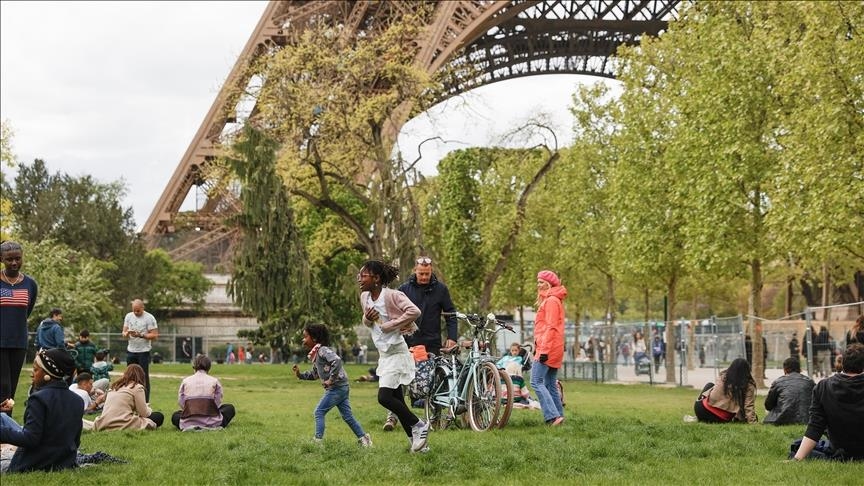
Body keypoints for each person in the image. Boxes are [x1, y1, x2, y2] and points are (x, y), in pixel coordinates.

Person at [358, 260, 428, 453]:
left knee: (384, 397)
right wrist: (368, 318)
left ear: (377, 278)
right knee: (399, 402)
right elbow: (367, 321)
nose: (360, 279)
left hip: (397, 353)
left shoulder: (393, 295)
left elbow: (415, 311)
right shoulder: (364, 297)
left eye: (364, 275)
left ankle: (419, 425)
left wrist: (391, 325)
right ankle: (420, 446)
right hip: (384, 355)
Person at [382, 256, 457, 432]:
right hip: (407, 342)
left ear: (431, 271)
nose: (424, 277)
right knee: (398, 378)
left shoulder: (441, 289)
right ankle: (392, 416)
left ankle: (434, 417)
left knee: (435, 380)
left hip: (432, 342)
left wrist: (452, 336)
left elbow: (451, 314)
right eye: (421, 273)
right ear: (415, 270)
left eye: (427, 274)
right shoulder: (404, 290)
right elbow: (393, 314)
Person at [0, 348, 82, 473]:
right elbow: (76, 441)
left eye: (35, 369)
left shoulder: (38, 399)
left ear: (48, 375)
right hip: (64, 462)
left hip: (33, 464)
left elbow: (30, 439)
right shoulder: (77, 400)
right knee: (4, 417)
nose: (32, 373)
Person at [292, 324, 370, 446]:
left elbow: (337, 360)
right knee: (348, 417)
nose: (303, 339)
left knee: (319, 412)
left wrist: (331, 380)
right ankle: (364, 439)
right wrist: (299, 374)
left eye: (305, 336)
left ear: (315, 339)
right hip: (341, 387)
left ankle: (318, 441)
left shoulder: (323, 350)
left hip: (337, 388)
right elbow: (314, 374)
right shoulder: (316, 354)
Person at [792, 343, 864, 461]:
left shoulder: (823, 387)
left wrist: (797, 458)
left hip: (839, 449)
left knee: (797, 445)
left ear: (843, 363)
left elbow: (815, 426)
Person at [0, 240, 38, 416]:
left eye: (17, 258)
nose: (14, 263)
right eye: (9, 259)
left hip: (19, 342)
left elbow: (26, 311)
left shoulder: (30, 284)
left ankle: (6, 429)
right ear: (2, 259)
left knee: (12, 387)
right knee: (3, 385)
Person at [532, 270, 566, 426]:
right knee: (550, 383)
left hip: (549, 348)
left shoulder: (551, 301)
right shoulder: (552, 299)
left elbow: (551, 327)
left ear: (550, 283)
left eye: (542, 282)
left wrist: (543, 351)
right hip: (553, 347)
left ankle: (552, 416)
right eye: (538, 282)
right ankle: (559, 416)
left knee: (536, 382)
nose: (539, 285)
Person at [171, 354, 235, 431]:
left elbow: (181, 402)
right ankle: (211, 424)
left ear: (194, 367)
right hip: (212, 421)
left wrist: (192, 409)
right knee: (229, 408)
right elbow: (217, 402)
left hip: (189, 420)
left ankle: (191, 424)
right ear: (209, 368)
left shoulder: (185, 381)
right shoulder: (214, 381)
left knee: (176, 415)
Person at [93, 364, 164, 431]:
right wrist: (148, 408)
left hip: (104, 422)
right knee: (158, 416)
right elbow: (144, 413)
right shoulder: (137, 387)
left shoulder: (114, 387)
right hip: (122, 421)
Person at [693, 357, 758, 424]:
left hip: (700, 410)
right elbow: (748, 406)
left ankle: (700, 414)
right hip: (719, 418)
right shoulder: (749, 385)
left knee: (709, 385)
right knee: (710, 385)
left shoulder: (723, 376)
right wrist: (753, 422)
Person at [122, 298, 159, 401]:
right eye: (134, 310)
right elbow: (124, 332)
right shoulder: (129, 316)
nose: (136, 312)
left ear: (143, 308)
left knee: (143, 377)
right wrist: (126, 334)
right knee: (129, 376)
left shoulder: (149, 318)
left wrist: (141, 335)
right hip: (131, 351)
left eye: (138, 310)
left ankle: (145, 401)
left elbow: (155, 335)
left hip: (143, 352)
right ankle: (129, 398)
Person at [764, 357, 813, 425]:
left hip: (780, 419)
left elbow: (768, 405)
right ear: (799, 369)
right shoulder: (810, 382)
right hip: (807, 418)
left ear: (785, 369)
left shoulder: (778, 382)